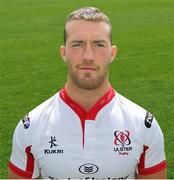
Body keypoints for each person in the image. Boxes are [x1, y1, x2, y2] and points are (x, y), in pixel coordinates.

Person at [8, 7, 167, 179]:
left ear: (112, 53)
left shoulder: (144, 126)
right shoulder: (31, 127)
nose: (88, 56)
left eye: (99, 44)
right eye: (78, 44)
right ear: (64, 53)